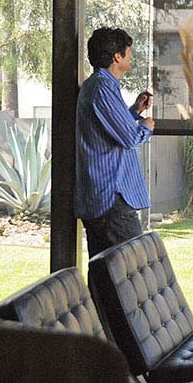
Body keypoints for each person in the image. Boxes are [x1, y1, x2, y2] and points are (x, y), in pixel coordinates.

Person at [75, 27, 155, 258]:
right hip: (111, 201)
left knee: (106, 274)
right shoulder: (102, 88)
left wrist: (134, 111)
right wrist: (146, 127)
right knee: (129, 270)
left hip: (106, 199)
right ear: (117, 56)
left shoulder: (102, 86)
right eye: (128, 52)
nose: (131, 56)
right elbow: (129, 137)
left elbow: (112, 130)